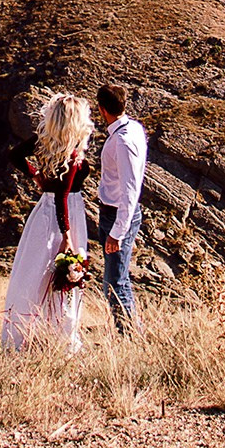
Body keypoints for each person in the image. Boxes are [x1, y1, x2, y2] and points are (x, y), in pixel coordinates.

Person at [0, 92, 93, 353]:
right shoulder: (71, 154)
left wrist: (35, 175)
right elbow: (63, 196)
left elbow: (15, 155)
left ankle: (24, 332)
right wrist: (67, 235)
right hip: (67, 213)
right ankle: (59, 336)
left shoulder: (44, 142)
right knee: (64, 273)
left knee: (35, 270)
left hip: (44, 210)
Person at [94, 84, 146, 336]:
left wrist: (117, 232)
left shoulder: (123, 141)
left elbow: (130, 190)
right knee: (116, 277)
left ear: (102, 109)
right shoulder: (133, 128)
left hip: (117, 215)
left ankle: (129, 334)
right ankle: (129, 330)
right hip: (112, 213)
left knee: (115, 281)